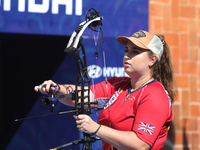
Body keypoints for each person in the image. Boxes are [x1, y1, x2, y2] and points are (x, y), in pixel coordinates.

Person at [34, 30, 177, 150]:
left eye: (135, 51)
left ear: (152, 60)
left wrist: (95, 129)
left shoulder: (155, 94)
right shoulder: (118, 84)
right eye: (127, 50)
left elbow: (141, 144)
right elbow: (83, 96)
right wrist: (57, 89)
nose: (127, 55)